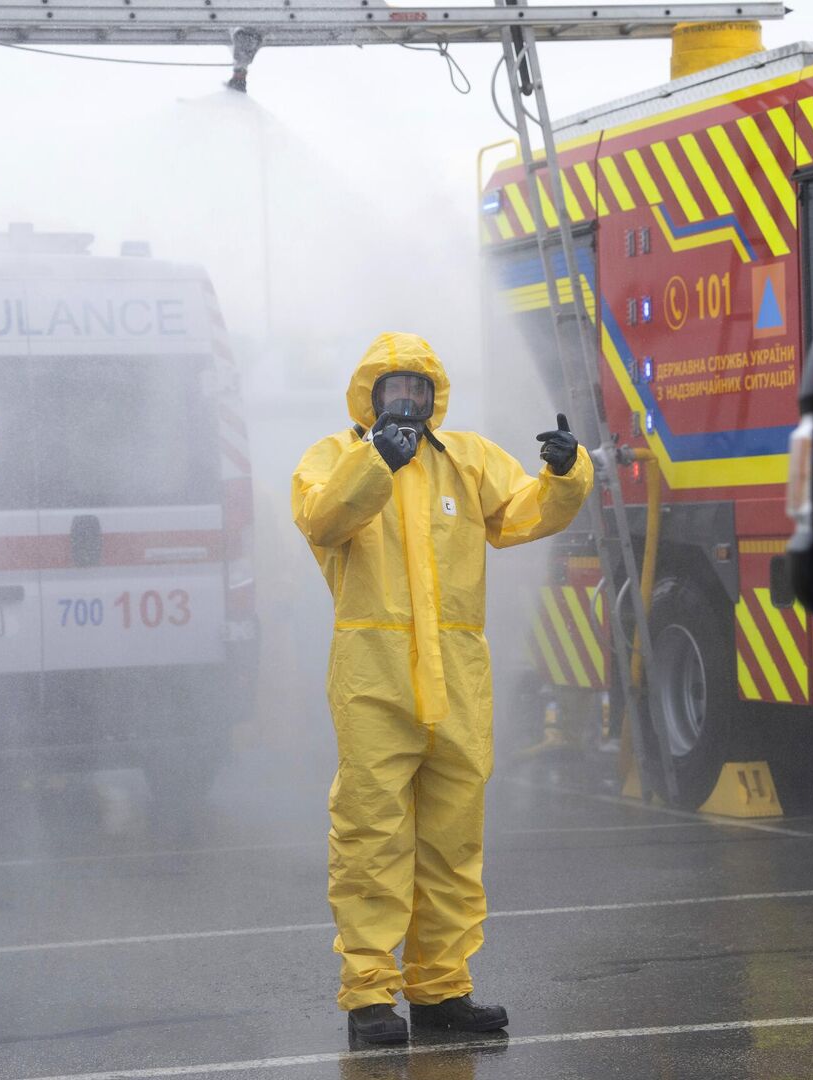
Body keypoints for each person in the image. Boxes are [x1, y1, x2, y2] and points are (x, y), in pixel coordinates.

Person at [291, 332, 593, 1045]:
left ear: (435, 397)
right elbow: (321, 518)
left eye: (419, 390)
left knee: (453, 844)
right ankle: (369, 997)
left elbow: (523, 514)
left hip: (457, 683)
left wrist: (566, 472)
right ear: (369, 393)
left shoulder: (467, 459)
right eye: (394, 388)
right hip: (375, 680)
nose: (408, 401)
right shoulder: (335, 458)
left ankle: (440, 991)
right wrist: (377, 464)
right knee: (371, 839)